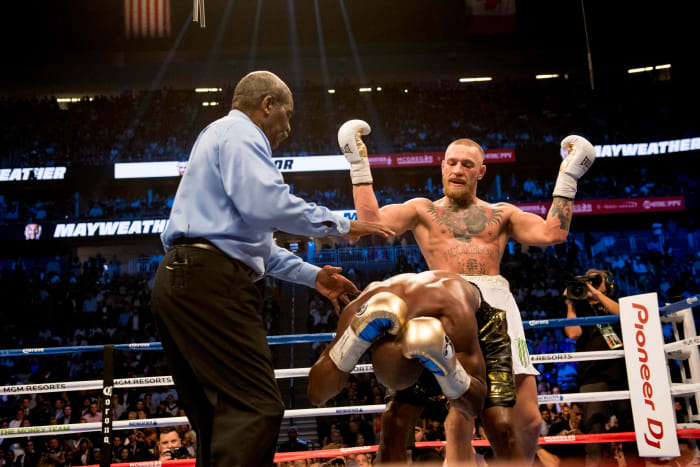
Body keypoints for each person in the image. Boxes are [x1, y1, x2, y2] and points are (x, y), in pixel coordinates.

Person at [151, 71, 393, 467]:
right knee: (258, 407)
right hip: (210, 281)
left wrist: (313, 276)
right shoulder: (241, 133)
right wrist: (342, 225)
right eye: (287, 114)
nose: (289, 127)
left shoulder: (219, 136)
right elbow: (269, 205)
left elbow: (258, 246)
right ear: (267, 105)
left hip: (182, 278)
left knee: (217, 415)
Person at [337, 119, 596, 461]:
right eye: (452, 163)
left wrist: (569, 176)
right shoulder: (422, 210)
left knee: (530, 421)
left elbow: (553, 233)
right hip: (448, 303)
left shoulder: (502, 214)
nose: (458, 170)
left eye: (467, 164)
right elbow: (372, 222)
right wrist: (358, 164)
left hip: (499, 307)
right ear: (442, 167)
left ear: (481, 172)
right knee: (461, 417)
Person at [308, 270, 489, 464]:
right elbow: (316, 395)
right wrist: (353, 339)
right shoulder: (362, 308)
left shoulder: (452, 307)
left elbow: (475, 405)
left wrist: (447, 365)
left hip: (473, 319)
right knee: (392, 428)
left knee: (498, 421)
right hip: (412, 330)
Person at [563, 269, 633, 466]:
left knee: (629, 424)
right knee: (594, 428)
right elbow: (573, 334)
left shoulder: (614, 303)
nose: (591, 284)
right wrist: (570, 303)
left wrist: (598, 295)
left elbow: (625, 315)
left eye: (596, 280)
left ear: (607, 284)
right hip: (592, 375)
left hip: (621, 372)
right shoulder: (579, 307)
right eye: (588, 280)